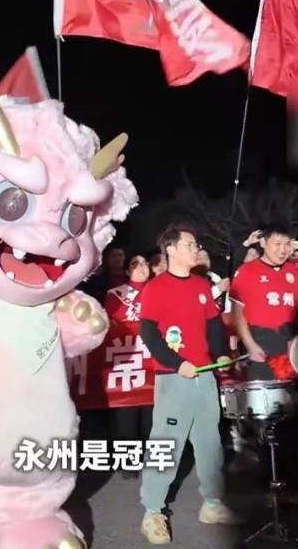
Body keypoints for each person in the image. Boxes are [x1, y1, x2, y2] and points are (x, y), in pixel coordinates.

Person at [138, 223, 242, 545]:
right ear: (170, 249)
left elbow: (214, 326)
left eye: (196, 244)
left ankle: (212, 502)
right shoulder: (155, 288)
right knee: (167, 443)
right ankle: (153, 511)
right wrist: (176, 362)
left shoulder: (201, 286)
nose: (196, 249)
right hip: (175, 377)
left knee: (210, 442)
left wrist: (221, 353)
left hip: (205, 377)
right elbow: (149, 333)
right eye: (190, 244)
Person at [229, 224, 298, 507]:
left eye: (287, 244)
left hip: (290, 349)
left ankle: (295, 486)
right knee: (268, 423)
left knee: (293, 421)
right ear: (264, 243)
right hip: (261, 349)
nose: (283, 249)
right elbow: (238, 314)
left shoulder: (293, 272)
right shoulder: (247, 272)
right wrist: (250, 344)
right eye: (277, 243)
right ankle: (270, 485)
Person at [105, 254, 152, 479]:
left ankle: (153, 463)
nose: (142, 267)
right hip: (126, 364)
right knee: (126, 417)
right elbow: (108, 325)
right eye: (135, 264)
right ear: (127, 271)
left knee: (151, 419)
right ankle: (128, 464)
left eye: (145, 263)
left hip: (152, 366)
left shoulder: (158, 291)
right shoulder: (116, 294)